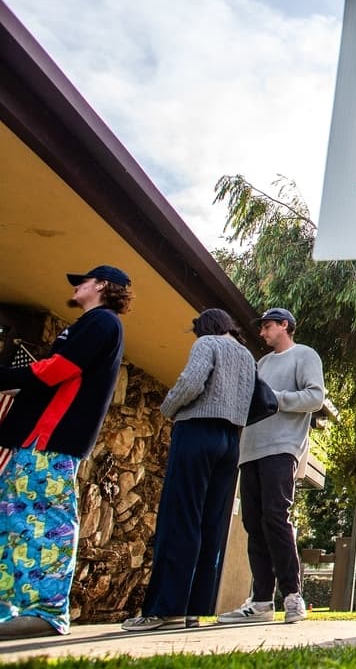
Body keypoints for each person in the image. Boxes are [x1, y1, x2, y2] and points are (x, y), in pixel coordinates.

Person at [0, 265, 132, 639]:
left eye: (82, 282)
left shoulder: (102, 322)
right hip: (35, 442)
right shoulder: (90, 325)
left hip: (51, 442)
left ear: (102, 285)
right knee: (14, 523)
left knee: (44, 522)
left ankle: (46, 612)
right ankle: (12, 610)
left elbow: (57, 370)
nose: (76, 287)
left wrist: (6, 376)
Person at [122, 310, 256, 632]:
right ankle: (194, 609)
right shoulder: (247, 357)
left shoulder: (207, 343)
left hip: (197, 432)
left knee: (180, 517)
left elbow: (191, 382)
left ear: (206, 327)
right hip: (231, 440)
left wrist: (167, 408)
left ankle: (165, 609)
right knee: (211, 522)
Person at [218, 308, 325, 625]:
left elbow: (315, 397)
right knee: (253, 524)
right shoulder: (262, 364)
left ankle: (293, 595)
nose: (262, 332)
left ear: (284, 326)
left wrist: (274, 398)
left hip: (282, 447)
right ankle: (262, 601)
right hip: (249, 450)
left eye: (267, 326)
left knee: (276, 518)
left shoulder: (304, 355)